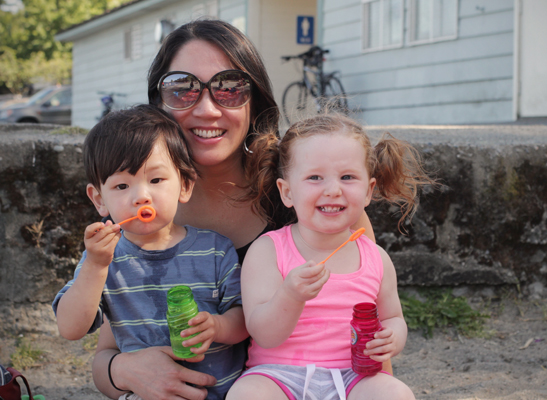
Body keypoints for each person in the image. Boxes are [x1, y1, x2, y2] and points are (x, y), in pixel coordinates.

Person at [91, 19, 378, 400]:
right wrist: (125, 370)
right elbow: (106, 353)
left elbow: (368, 325)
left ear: (254, 99)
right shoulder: (145, 211)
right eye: (182, 89)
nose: (208, 109)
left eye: (229, 88)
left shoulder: (313, 194)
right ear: (158, 104)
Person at [225, 113, 435, 400]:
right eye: (314, 178)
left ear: (368, 191)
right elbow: (264, 334)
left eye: (347, 177)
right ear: (287, 192)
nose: (333, 190)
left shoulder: (376, 258)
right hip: (277, 375)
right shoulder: (269, 250)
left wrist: (392, 338)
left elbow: (393, 317)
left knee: (396, 394)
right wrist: (290, 295)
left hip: (354, 376)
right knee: (245, 395)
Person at [52, 104, 248, 400]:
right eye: (121, 185)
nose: (141, 195)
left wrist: (218, 327)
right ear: (99, 199)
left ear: (184, 184)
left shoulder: (215, 250)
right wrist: (95, 266)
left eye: (156, 180)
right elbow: (70, 328)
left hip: (221, 392)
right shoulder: (104, 259)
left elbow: (245, 319)